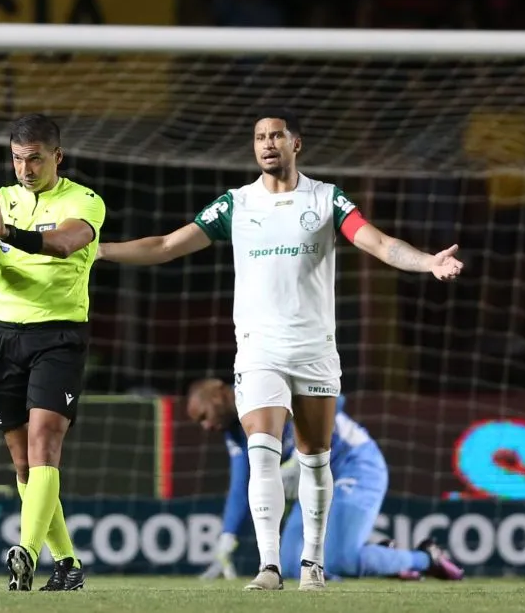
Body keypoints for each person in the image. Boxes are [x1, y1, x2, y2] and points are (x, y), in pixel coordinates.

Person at [97, 108, 463, 591]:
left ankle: (313, 564)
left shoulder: (327, 199)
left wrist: (427, 262)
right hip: (258, 351)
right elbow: (166, 245)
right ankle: (269, 566)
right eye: (259, 137)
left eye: (276, 136)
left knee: (314, 458)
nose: (267, 143)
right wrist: (99, 250)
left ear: (296, 144)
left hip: (315, 349)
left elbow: (377, 243)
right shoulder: (235, 204)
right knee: (262, 451)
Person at [0, 113, 105, 592]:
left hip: (58, 337)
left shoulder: (84, 201)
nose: (25, 169)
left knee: (44, 445)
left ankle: (27, 553)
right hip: (5, 338)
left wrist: (8, 233)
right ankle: (68, 563)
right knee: (23, 464)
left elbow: (64, 244)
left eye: (35, 159)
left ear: (57, 156)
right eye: (17, 159)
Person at [187, 378, 463, 583]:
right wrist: (228, 536)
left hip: (353, 465)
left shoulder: (263, 389)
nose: (205, 426)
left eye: (203, 416)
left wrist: (299, 455)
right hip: (313, 480)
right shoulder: (235, 431)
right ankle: (384, 560)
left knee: (339, 561)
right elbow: (242, 485)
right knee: (293, 566)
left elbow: (335, 402)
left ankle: (426, 558)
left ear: (217, 398)